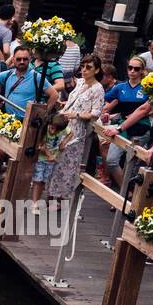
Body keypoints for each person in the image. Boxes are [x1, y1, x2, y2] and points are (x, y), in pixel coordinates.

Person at [43, 55, 104, 202]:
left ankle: (61, 199)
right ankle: (50, 194)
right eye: (82, 66)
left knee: (67, 164)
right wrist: (64, 105)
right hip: (63, 125)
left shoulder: (98, 88)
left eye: (88, 67)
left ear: (96, 70)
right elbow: (73, 100)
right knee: (54, 159)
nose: (84, 70)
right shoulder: (80, 82)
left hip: (77, 130)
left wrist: (76, 114)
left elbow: (96, 113)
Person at [99, 57, 151, 189]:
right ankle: (125, 191)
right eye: (130, 68)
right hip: (122, 126)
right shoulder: (120, 87)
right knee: (111, 160)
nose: (132, 71)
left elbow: (151, 109)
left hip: (141, 128)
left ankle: (126, 196)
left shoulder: (148, 88)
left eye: (136, 69)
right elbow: (104, 100)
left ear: (142, 71)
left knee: (131, 163)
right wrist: (105, 113)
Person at [0, 45, 61, 119]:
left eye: (25, 59)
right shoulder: (9, 73)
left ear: (29, 59)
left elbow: (54, 95)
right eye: (19, 59)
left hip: (25, 123)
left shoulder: (36, 77)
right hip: (7, 119)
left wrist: (43, 114)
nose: (22, 62)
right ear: (13, 59)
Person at [31, 114, 70, 202]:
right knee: (37, 180)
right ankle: (34, 203)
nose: (53, 132)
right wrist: (50, 156)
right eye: (52, 128)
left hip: (51, 161)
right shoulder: (44, 130)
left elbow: (71, 133)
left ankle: (37, 200)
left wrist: (63, 142)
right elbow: (42, 146)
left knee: (44, 181)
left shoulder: (62, 129)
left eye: (56, 131)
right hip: (41, 158)